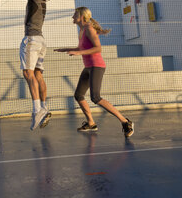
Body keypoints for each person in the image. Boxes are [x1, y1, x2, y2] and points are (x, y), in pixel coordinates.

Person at [55, 7, 134, 138]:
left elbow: (98, 48)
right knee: (79, 95)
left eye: (74, 14)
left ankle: (125, 122)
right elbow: (81, 48)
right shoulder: (82, 30)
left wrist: (79, 52)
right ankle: (91, 123)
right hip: (88, 67)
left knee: (95, 97)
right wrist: (66, 49)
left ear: (81, 16)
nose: (72, 17)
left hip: (97, 66)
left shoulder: (89, 29)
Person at [14, 0, 54, 130]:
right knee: (38, 75)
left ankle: (37, 109)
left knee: (28, 74)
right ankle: (44, 107)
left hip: (31, 40)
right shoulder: (43, 0)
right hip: (42, 41)